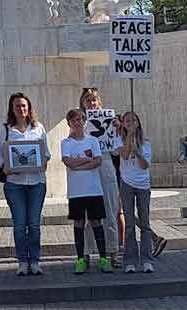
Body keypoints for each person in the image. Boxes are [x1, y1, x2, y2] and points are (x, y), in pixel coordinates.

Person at [0, 91, 49, 275]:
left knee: (34, 224)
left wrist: (41, 163)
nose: (21, 108)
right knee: (19, 224)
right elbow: (0, 157)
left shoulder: (38, 128)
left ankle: (34, 261)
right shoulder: (5, 129)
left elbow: (46, 153)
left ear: (29, 108)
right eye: (17, 105)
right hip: (14, 184)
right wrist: (6, 167)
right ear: (12, 108)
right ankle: (22, 262)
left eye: (24, 105)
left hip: (37, 182)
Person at [61, 108, 110, 273]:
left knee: (96, 222)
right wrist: (86, 160)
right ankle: (80, 259)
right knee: (79, 223)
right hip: (76, 191)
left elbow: (98, 161)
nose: (78, 122)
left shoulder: (92, 141)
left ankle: (104, 258)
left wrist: (80, 163)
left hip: (94, 190)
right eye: (74, 120)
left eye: (81, 119)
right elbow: (68, 162)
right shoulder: (66, 143)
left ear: (85, 121)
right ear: (69, 123)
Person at [79, 88, 123, 268]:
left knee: (111, 211)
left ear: (100, 103)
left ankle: (113, 252)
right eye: (88, 100)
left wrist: (117, 129)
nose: (92, 103)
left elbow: (116, 150)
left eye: (94, 100)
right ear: (83, 103)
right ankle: (87, 252)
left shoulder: (110, 122)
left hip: (105, 165)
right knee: (89, 213)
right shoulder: (80, 123)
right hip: (88, 167)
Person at [116, 110, 155, 272]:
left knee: (145, 223)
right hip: (127, 183)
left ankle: (146, 259)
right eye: (127, 121)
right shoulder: (118, 140)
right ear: (123, 124)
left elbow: (145, 165)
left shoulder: (145, 142)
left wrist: (137, 151)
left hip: (143, 185)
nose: (130, 123)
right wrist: (128, 141)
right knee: (130, 223)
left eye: (133, 120)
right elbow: (124, 156)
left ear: (138, 123)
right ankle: (130, 260)